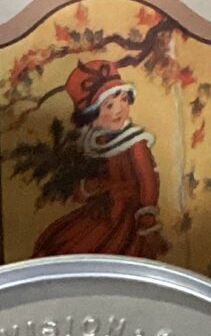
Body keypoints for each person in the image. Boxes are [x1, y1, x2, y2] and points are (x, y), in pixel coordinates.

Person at [33, 59, 166, 260]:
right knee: (59, 244)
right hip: (99, 211)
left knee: (113, 252)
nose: (119, 110)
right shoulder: (88, 144)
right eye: (109, 105)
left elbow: (148, 181)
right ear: (92, 115)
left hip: (126, 216)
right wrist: (88, 187)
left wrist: (147, 218)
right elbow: (80, 184)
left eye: (124, 100)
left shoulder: (135, 142)